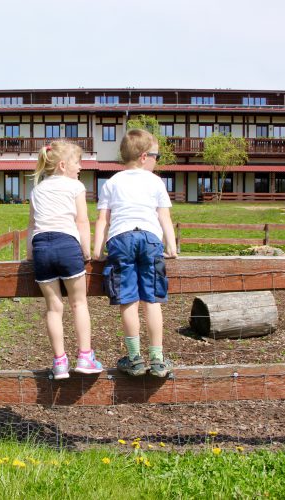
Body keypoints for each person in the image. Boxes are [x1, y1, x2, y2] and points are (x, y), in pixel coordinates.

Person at [93, 129, 178, 377]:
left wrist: (97, 250)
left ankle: (134, 358)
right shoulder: (155, 181)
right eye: (156, 156)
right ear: (143, 156)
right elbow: (164, 216)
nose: (156, 160)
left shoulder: (112, 182)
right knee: (151, 299)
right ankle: (157, 358)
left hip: (120, 239)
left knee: (128, 299)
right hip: (150, 239)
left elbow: (102, 220)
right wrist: (171, 246)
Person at [27, 141, 103, 380]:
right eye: (77, 162)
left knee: (53, 307)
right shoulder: (75, 186)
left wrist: (30, 254)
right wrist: (86, 250)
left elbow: (31, 225)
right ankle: (85, 356)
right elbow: (82, 221)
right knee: (79, 303)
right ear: (62, 165)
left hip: (41, 248)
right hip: (67, 245)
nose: (80, 167)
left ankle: (60, 362)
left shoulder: (36, 190)